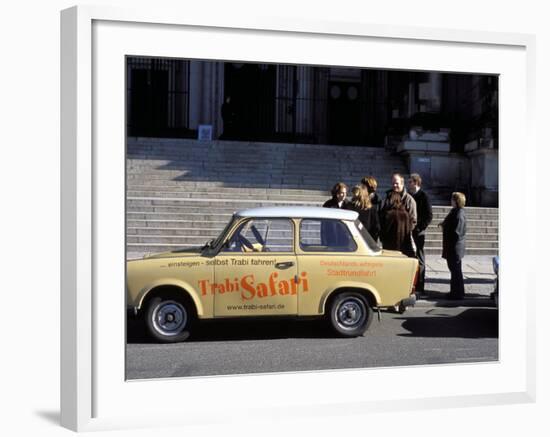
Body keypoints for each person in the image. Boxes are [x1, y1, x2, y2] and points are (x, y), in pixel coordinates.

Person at [439, 192, 467, 300]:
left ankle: (457, 294)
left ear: (456, 201)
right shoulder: (455, 211)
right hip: (453, 247)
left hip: (455, 247)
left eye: (452, 199)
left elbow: (457, 232)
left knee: (455, 271)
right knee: (455, 271)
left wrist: (447, 230)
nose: (451, 201)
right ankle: (456, 292)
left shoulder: (459, 214)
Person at [408, 173, 433, 294]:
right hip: (409, 230)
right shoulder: (409, 195)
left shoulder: (424, 196)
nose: (409, 184)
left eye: (410, 182)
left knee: (420, 258)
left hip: (418, 232)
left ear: (416, 182)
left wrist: (419, 228)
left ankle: (420, 286)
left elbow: (429, 216)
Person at [380, 173, 417, 257]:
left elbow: (413, 220)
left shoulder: (409, 200)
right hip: (389, 241)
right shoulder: (387, 198)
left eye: (396, 183)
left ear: (402, 183)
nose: (394, 185)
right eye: (393, 183)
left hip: (403, 240)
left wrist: (403, 230)